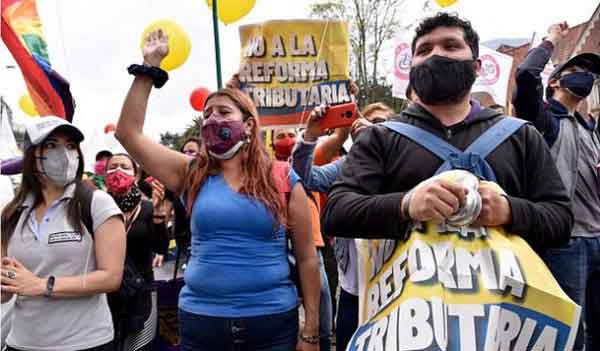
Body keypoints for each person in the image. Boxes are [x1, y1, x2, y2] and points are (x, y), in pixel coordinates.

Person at [115, 29, 320, 351]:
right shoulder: (190, 173)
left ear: (249, 124)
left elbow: (308, 259)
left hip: (271, 322)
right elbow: (127, 133)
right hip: (202, 322)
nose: (212, 120)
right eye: (206, 114)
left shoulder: (282, 178)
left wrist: (311, 330)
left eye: (223, 113)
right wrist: (148, 67)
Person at [322, 12, 572, 256]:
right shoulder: (379, 138)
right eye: (424, 50)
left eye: (451, 46)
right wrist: (406, 204)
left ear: (476, 67)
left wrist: (510, 211)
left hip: (507, 296)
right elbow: (336, 213)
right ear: (412, 68)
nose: (436, 54)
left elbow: (561, 220)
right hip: (410, 296)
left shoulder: (521, 136)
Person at [0, 116, 126, 351]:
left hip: (85, 343)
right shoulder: (11, 213)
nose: (64, 153)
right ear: (30, 155)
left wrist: (42, 285)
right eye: (51, 145)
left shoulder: (96, 203)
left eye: (70, 146)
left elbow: (111, 278)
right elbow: (7, 289)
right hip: (22, 343)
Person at [512, 21, 600, 351]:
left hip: (597, 236)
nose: (586, 77)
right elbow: (524, 77)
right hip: (566, 242)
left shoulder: (590, 128)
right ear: (554, 82)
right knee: (569, 331)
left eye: (590, 73)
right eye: (577, 69)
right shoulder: (545, 121)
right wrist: (551, 40)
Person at [291, 102, 394, 351]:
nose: (371, 129)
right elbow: (305, 178)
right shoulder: (347, 166)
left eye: (381, 125)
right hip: (353, 294)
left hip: (394, 291)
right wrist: (310, 135)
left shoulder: (406, 163)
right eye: (366, 124)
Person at [104, 153, 169, 351]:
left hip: (142, 295)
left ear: (136, 174)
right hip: (106, 296)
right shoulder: (98, 208)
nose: (118, 171)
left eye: (124, 166)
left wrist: (159, 214)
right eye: (112, 166)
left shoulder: (149, 208)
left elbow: (161, 247)